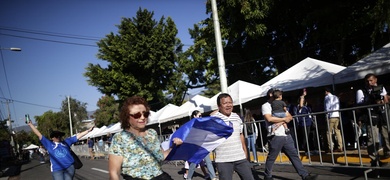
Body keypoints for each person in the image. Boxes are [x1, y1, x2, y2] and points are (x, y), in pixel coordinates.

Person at [108, 96, 183, 180]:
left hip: (161, 177)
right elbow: (114, 172)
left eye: (145, 113)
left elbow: (161, 156)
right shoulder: (120, 138)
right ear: (127, 118)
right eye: (137, 115)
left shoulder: (152, 133)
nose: (143, 117)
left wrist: (173, 146)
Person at [262, 88, 317, 180]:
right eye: (277, 94)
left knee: (294, 155)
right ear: (271, 95)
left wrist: (282, 120)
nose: (279, 96)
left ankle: (305, 175)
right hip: (275, 135)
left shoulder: (280, 104)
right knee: (272, 157)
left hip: (286, 135)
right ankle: (267, 176)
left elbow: (290, 116)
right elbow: (269, 119)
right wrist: (283, 120)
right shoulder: (266, 106)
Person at [27, 120, 94, 180]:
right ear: (52, 138)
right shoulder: (49, 144)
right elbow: (39, 134)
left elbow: (78, 136)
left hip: (69, 167)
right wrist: (30, 125)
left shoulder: (66, 142)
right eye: (56, 136)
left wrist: (88, 131)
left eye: (60, 136)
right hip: (57, 169)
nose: (59, 137)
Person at [211, 93, 254, 180]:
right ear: (219, 106)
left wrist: (245, 153)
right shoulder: (213, 119)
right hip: (223, 160)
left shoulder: (236, 117)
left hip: (240, 158)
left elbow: (240, 135)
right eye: (225, 103)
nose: (228, 105)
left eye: (230, 102)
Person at [356, 73, 389, 167]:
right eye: (367, 81)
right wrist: (370, 99)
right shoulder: (361, 91)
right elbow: (359, 105)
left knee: (386, 135)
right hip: (370, 116)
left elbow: (386, 100)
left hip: (382, 115)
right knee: (373, 139)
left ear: (375, 80)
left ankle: (387, 152)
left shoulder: (381, 88)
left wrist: (382, 99)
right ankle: (375, 161)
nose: (369, 83)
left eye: (371, 80)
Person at [186, 110, 217, 180]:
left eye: (201, 115)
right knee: (194, 163)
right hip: (196, 146)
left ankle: (213, 177)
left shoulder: (202, 123)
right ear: (194, 116)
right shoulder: (191, 124)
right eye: (199, 116)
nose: (201, 117)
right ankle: (189, 178)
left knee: (208, 161)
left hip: (203, 145)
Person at [295, 89, 314, 155]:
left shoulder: (306, 105)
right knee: (305, 136)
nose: (305, 92)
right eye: (304, 91)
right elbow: (301, 105)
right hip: (304, 122)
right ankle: (306, 150)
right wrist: (302, 96)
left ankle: (311, 149)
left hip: (308, 121)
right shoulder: (301, 102)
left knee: (309, 136)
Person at [324, 87, 343, 153]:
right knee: (337, 131)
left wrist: (326, 116)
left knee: (329, 132)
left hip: (331, 116)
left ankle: (330, 147)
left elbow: (327, 107)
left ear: (326, 92)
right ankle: (340, 146)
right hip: (337, 115)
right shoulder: (336, 97)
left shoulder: (327, 97)